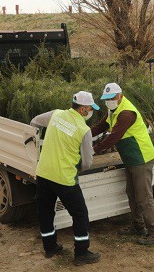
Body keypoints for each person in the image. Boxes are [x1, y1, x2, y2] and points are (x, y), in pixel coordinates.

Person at [30, 91, 101, 266]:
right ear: (83, 109)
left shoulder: (56, 114)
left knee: (45, 212)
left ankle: (50, 247)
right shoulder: (84, 130)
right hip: (64, 178)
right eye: (91, 108)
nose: (91, 112)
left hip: (44, 173)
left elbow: (34, 122)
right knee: (80, 214)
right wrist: (79, 169)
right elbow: (87, 161)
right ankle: (82, 253)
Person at [91, 82, 154, 245]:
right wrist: (84, 135)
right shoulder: (113, 110)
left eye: (111, 98)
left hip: (141, 158)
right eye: (106, 98)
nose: (108, 101)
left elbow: (113, 137)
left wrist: (94, 149)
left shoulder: (126, 113)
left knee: (144, 197)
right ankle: (138, 226)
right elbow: (101, 126)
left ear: (120, 96)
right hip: (131, 158)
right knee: (132, 194)